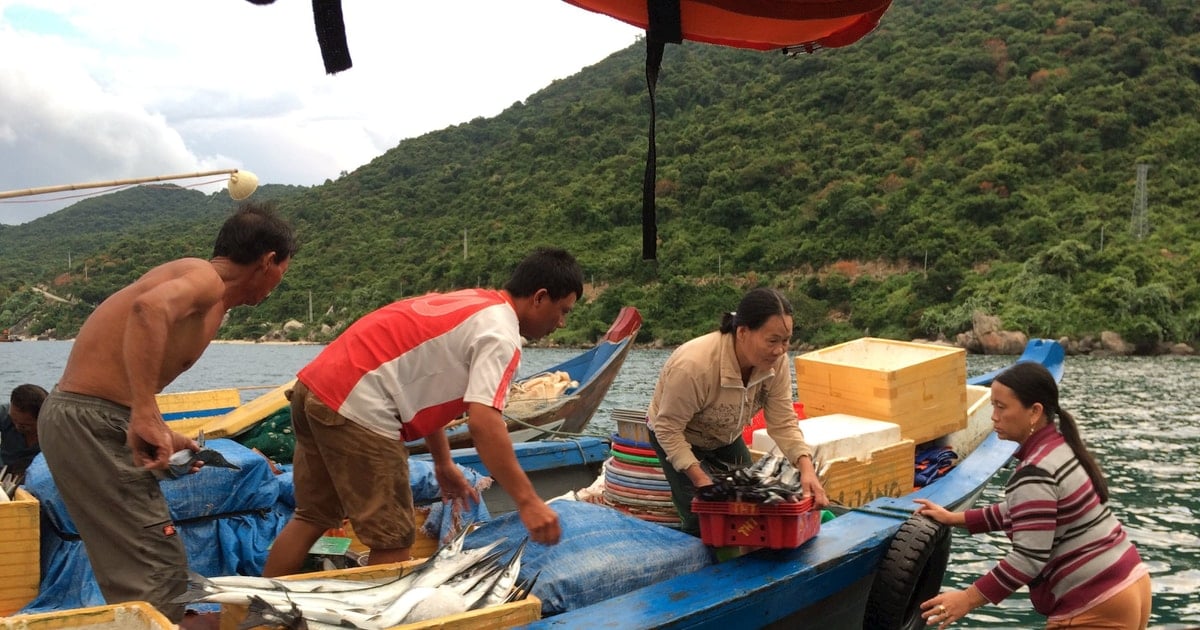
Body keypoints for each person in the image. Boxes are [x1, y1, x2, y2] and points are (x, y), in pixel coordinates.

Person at [37, 202, 297, 625]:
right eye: (282, 269)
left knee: (148, 564)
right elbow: (149, 310)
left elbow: (126, 365)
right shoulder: (205, 279)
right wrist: (143, 411)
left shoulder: (205, 291)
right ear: (268, 261)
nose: (277, 283)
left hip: (92, 417)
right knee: (155, 568)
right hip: (90, 419)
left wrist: (157, 425)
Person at [262, 247, 582, 577]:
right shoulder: (502, 334)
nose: (560, 323)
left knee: (311, 517)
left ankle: (253, 620)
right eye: (562, 311)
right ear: (540, 297)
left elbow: (421, 388)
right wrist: (528, 501)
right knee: (393, 541)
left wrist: (443, 464)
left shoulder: (474, 303)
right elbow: (485, 422)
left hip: (313, 389)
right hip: (359, 405)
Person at [914, 361, 1151, 630]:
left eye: (1001, 407)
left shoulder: (1035, 470)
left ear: (1034, 412)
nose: (993, 416)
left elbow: (1028, 558)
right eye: (993, 406)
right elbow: (1023, 511)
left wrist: (966, 599)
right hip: (1128, 580)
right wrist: (953, 518)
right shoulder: (1059, 447)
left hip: (1094, 601)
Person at [646, 287, 828, 537]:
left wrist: (806, 469)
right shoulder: (693, 366)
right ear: (742, 332)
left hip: (725, 434)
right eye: (772, 341)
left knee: (750, 504)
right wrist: (701, 480)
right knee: (701, 514)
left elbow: (783, 422)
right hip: (676, 434)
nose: (780, 350)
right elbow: (668, 430)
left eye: (786, 341)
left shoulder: (777, 362)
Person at [0, 384, 48, 476]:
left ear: (42, 418)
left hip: (34, 479)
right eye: (13, 420)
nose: (17, 426)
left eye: (24, 425)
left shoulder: (56, 431)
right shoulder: (4, 413)